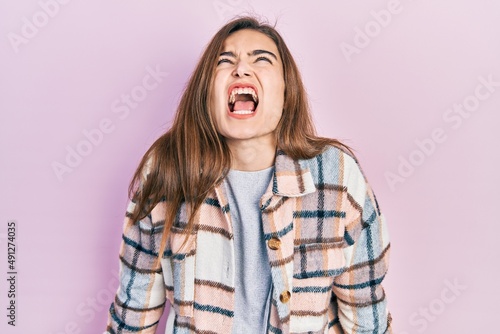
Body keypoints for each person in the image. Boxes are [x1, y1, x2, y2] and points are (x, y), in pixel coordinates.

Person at [105, 16, 392, 334]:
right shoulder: (167, 170)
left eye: (261, 59)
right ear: (206, 94)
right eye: (224, 61)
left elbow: (367, 319)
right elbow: (132, 315)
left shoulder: (335, 175)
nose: (241, 69)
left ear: (286, 92)